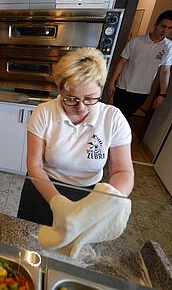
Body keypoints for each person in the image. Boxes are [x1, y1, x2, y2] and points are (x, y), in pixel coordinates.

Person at [17, 47, 134, 227]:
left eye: (89, 99)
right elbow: (35, 165)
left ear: (100, 90)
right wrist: (57, 202)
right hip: (44, 187)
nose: (81, 107)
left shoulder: (113, 119)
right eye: (71, 99)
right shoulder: (44, 113)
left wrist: (108, 202)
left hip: (88, 194)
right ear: (60, 90)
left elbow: (122, 171)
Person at [107, 10, 172, 119]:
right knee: (112, 116)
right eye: (163, 26)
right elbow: (122, 62)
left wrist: (162, 94)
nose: (165, 30)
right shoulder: (136, 41)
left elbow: (165, 71)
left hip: (142, 91)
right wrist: (112, 82)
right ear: (156, 24)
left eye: (170, 28)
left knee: (125, 119)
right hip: (123, 87)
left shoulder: (170, 47)